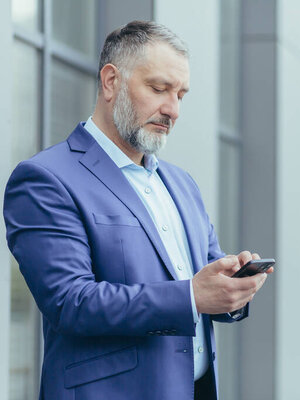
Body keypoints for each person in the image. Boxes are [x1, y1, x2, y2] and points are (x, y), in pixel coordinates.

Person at [3, 20, 272, 400]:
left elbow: (202, 279)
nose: (173, 109)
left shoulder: (182, 184)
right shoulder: (45, 179)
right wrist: (192, 296)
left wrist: (231, 286)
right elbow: (70, 302)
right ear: (111, 81)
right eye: (159, 89)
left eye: (181, 94)